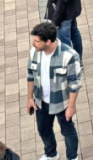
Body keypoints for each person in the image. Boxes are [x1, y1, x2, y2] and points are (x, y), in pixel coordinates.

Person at [27, 22, 82, 160]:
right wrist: (30, 98)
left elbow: (74, 84)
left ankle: (72, 157)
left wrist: (71, 106)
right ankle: (51, 154)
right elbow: (30, 75)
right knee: (43, 129)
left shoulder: (69, 56)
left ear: (48, 42)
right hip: (41, 101)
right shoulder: (34, 52)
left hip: (62, 103)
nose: (33, 43)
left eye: (37, 41)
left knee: (67, 131)